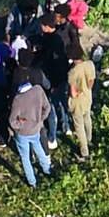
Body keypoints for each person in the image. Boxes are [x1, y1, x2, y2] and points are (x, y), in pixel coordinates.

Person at [34, 14, 70, 149]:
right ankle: (66, 126)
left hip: (53, 80)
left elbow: (52, 62)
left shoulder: (52, 42)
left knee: (52, 108)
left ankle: (52, 136)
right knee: (62, 103)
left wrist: (53, 84)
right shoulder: (57, 39)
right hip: (60, 79)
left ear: (47, 27)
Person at [9, 78, 52, 188]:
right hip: (36, 129)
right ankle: (47, 170)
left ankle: (32, 182)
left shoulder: (18, 99)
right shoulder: (38, 90)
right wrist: (40, 119)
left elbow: (12, 121)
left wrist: (19, 125)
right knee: (38, 148)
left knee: (25, 157)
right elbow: (47, 107)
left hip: (23, 133)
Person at [67, 43, 96, 160]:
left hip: (77, 103)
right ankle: (90, 140)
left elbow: (73, 93)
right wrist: (84, 90)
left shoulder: (72, 73)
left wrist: (77, 92)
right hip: (87, 98)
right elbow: (91, 82)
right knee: (87, 118)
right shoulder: (90, 64)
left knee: (79, 128)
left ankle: (84, 153)